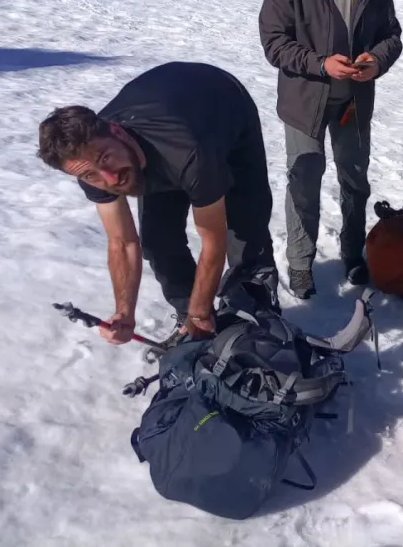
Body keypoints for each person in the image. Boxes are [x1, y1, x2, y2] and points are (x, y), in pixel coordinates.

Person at [36, 62, 279, 344]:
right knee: (158, 240)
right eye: (90, 174)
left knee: (245, 225)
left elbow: (213, 241)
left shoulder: (188, 152)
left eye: (106, 158)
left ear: (118, 132)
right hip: (164, 127)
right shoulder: (87, 164)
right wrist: (124, 313)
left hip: (223, 105)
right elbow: (122, 243)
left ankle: (255, 300)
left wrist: (199, 313)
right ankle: (189, 318)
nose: (110, 177)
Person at [259, 0, 402, 302]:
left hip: (354, 102)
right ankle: (301, 264)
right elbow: (274, 42)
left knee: (355, 181)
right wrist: (321, 64)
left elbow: (392, 36)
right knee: (303, 179)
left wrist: (377, 60)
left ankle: (352, 252)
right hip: (305, 100)